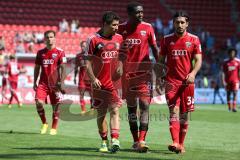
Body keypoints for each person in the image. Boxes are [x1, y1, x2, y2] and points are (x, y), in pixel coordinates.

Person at [156, 11, 202, 154]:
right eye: (177, 22)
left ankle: (181, 144)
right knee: (173, 111)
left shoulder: (194, 40)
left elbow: (199, 60)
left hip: (187, 83)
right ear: (173, 23)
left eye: (182, 22)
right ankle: (175, 142)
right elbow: (160, 61)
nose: (180, 25)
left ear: (187, 24)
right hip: (171, 82)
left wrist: (193, 73)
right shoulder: (166, 39)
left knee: (185, 114)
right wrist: (159, 77)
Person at [117, 1, 159, 152]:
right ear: (129, 14)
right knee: (131, 109)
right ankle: (135, 141)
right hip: (127, 74)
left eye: (142, 12)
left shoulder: (148, 27)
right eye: (137, 12)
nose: (141, 14)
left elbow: (154, 47)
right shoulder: (120, 29)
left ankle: (142, 140)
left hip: (144, 73)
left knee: (145, 105)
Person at [85, 11, 123, 153]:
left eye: (117, 25)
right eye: (113, 25)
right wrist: (93, 79)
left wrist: (120, 66)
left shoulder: (119, 38)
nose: (116, 28)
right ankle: (104, 141)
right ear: (105, 24)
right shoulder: (93, 40)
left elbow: (121, 56)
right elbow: (87, 62)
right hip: (99, 84)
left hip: (114, 83)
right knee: (101, 115)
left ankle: (115, 139)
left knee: (114, 110)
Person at [34, 30, 66, 135]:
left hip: (55, 84)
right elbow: (37, 68)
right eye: (47, 37)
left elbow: (63, 68)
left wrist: (62, 82)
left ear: (55, 38)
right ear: (44, 39)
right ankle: (44, 123)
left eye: (51, 37)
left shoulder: (60, 52)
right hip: (43, 84)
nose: (49, 39)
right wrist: (35, 82)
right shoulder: (40, 53)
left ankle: (54, 127)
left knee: (56, 106)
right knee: (39, 103)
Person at [74, 41, 92, 114]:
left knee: (92, 95)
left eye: (85, 46)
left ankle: (92, 108)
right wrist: (74, 77)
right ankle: (83, 110)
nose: (83, 47)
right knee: (81, 94)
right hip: (82, 79)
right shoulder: (78, 56)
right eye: (82, 46)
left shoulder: (91, 55)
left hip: (90, 78)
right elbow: (76, 67)